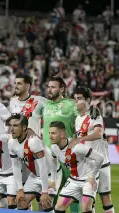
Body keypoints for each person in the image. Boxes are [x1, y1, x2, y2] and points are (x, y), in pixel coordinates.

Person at [72, 87, 115, 213]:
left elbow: (98, 134)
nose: (76, 101)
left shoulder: (94, 114)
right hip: (87, 166)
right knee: (89, 202)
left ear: (88, 100)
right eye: (75, 99)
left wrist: (79, 140)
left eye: (79, 98)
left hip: (101, 164)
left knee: (106, 199)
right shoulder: (77, 119)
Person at [42, 76, 79, 213]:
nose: (49, 90)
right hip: (49, 156)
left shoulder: (70, 104)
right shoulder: (45, 105)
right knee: (53, 193)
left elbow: (82, 118)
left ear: (62, 88)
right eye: (48, 87)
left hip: (67, 155)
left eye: (53, 87)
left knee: (73, 194)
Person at [49, 121, 104, 212]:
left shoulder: (77, 147)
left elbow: (100, 158)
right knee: (58, 207)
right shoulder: (54, 148)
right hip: (74, 180)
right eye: (49, 133)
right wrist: (53, 181)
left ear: (62, 134)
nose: (50, 136)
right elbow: (53, 164)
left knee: (86, 208)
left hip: (88, 179)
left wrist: (92, 176)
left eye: (53, 133)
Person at [8, 114, 55, 212]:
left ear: (24, 127)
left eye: (15, 126)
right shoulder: (11, 142)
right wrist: (20, 189)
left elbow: (43, 167)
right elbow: (15, 166)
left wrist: (44, 191)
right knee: (21, 202)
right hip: (34, 176)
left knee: (45, 204)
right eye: (10, 125)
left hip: (50, 176)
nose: (11, 129)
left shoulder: (33, 141)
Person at [9, 73, 47, 137]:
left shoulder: (39, 101)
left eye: (19, 83)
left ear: (27, 86)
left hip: (32, 144)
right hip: (15, 144)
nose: (16, 86)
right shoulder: (12, 102)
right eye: (15, 83)